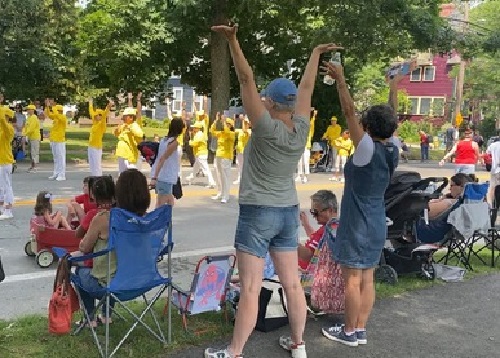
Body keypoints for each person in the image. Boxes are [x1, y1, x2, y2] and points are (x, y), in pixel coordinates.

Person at [205, 23, 338, 358]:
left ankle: (234, 352)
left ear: (270, 102)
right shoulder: (302, 127)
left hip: (257, 212)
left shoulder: (264, 126)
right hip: (286, 211)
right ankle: (299, 345)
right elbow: (306, 87)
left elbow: (245, 79)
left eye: (265, 97)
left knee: (250, 287)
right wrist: (315, 54)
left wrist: (234, 41)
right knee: (292, 284)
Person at [320, 58, 399, 347]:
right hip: (377, 218)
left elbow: (348, 111)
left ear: (367, 127)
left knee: (351, 279)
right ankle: (359, 329)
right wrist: (394, 85)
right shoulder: (393, 148)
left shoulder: (366, 148)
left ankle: (349, 332)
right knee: (367, 277)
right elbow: (391, 117)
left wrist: (341, 80)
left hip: (357, 221)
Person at [72, 175, 117, 327]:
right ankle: (106, 315)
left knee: (79, 272)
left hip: (105, 279)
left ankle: (89, 318)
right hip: (125, 279)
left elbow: (85, 247)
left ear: (95, 196)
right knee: (112, 267)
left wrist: (82, 243)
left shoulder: (99, 217)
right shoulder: (124, 215)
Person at [414, 173, 474, 244]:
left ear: (461, 187)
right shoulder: (465, 204)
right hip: (446, 234)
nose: (449, 189)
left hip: (432, 233)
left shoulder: (449, 202)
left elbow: (425, 211)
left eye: (452, 186)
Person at [298, 190, 339, 270]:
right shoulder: (329, 228)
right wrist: (306, 225)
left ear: (329, 210)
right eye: (312, 212)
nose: (314, 216)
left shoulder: (330, 230)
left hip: (307, 272)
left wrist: (289, 243)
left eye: (316, 212)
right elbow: (317, 242)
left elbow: (310, 256)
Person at [150, 118, 185, 207]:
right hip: (166, 177)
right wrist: (154, 177)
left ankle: (167, 220)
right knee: (161, 204)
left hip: (165, 176)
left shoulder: (164, 140)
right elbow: (162, 159)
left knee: (169, 201)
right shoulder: (173, 143)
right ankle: (159, 220)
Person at [210, 114, 236, 204]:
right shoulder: (221, 133)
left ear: (231, 125)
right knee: (219, 175)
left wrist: (224, 122)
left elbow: (227, 132)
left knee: (225, 176)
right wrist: (216, 121)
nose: (226, 125)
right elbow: (212, 131)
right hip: (219, 155)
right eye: (226, 123)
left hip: (226, 156)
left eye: (228, 124)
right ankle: (220, 192)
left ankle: (226, 195)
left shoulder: (231, 134)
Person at [114, 106, 144, 173]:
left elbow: (140, 134)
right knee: (122, 173)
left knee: (131, 173)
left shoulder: (134, 125)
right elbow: (117, 134)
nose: (123, 118)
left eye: (125, 117)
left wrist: (130, 129)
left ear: (131, 117)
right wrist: (117, 130)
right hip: (121, 153)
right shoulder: (124, 125)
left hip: (129, 154)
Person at [185, 121, 216, 187]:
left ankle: (212, 182)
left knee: (205, 169)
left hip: (201, 154)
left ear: (198, 128)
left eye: (194, 127)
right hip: (198, 154)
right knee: (195, 168)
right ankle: (190, 178)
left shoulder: (199, 135)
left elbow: (194, 143)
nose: (193, 129)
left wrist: (190, 140)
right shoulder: (198, 134)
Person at [88, 98, 113, 176]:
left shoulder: (101, 124)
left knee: (97, 165)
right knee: (92, 165)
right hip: (90, 146)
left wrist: (108, 107)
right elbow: (91, 112)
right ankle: (94, 177)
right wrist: (90, 103)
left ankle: (99, 178)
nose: (95, 116)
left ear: (100, 116)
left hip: (96, 147)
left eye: (97, 115)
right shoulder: (95, 123)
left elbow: (105, 114)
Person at [44, 99, 67, 181]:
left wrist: (53, 106)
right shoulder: (56, 118)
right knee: (56, 158)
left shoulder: (63, 118)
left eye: (56, 110)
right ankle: (56, 173)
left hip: (60, 140)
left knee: (61, 158)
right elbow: (49, 115)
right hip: (53, 140)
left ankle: (62, 175)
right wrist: (47, 106)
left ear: (59, 111)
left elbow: (56, 114)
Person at [0, 102, 15, 220]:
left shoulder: (8, 129)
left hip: (5, 162)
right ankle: (2, 207)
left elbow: (3, 124)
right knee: (1, 186)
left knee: (6, 186)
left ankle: (8, 209)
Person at [296, 110, 316, 184]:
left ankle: (306, 176)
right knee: (299, 161)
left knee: (306, 161)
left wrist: (313, 115)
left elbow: (312, 123)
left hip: (306, 147)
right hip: (300, 146)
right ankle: (299, 174)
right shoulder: (300, 131)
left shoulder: (310, 131)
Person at [233, 116, 251, 185]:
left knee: (245, 166)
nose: (246, 124)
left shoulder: (249, 131)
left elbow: (245, 130)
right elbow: (233, 130)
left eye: (247, 123)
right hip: (239, 151)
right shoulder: (240, 131)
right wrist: (234, 120)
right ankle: (239, 179)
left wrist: (243, 120)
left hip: (245, 151)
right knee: (239, 165)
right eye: (245, 123)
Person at [23, 104, 41, 173]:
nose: (27, 111)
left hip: (35, 137)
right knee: (31, 152)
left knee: (34, 152)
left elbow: (31, 128)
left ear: (32, 110)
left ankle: (35, 167)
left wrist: (25, 134)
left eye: (28, 109)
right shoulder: (29, 118)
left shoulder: (34, 117)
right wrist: (25, 133)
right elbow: (26, 127)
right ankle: (32, 166)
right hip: (30, 137)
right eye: (27, 109)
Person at [486, 139, 500, 205]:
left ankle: (491, 204)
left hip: (494, 169)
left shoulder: (492, 145)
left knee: (492, 187)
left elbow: (487, 153)